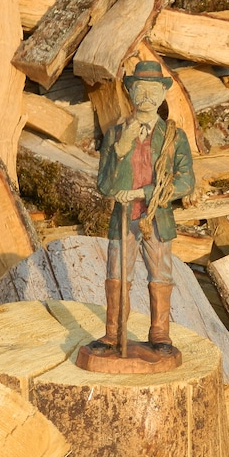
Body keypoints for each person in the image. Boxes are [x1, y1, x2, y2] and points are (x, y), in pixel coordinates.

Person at [96, 61, 195, 354]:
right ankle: (112, 334)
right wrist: (122, 148)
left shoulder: (173, 137)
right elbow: (105, 185)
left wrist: (144, 192)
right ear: (131, 92)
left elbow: (186, 180)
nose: (147, 97)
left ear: (163, 95)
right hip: (123, 219)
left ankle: (160, 334)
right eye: (141, 89)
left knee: (160, 277)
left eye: (153, 90)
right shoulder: (115, 134)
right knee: (116, 275)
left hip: (157, 218)